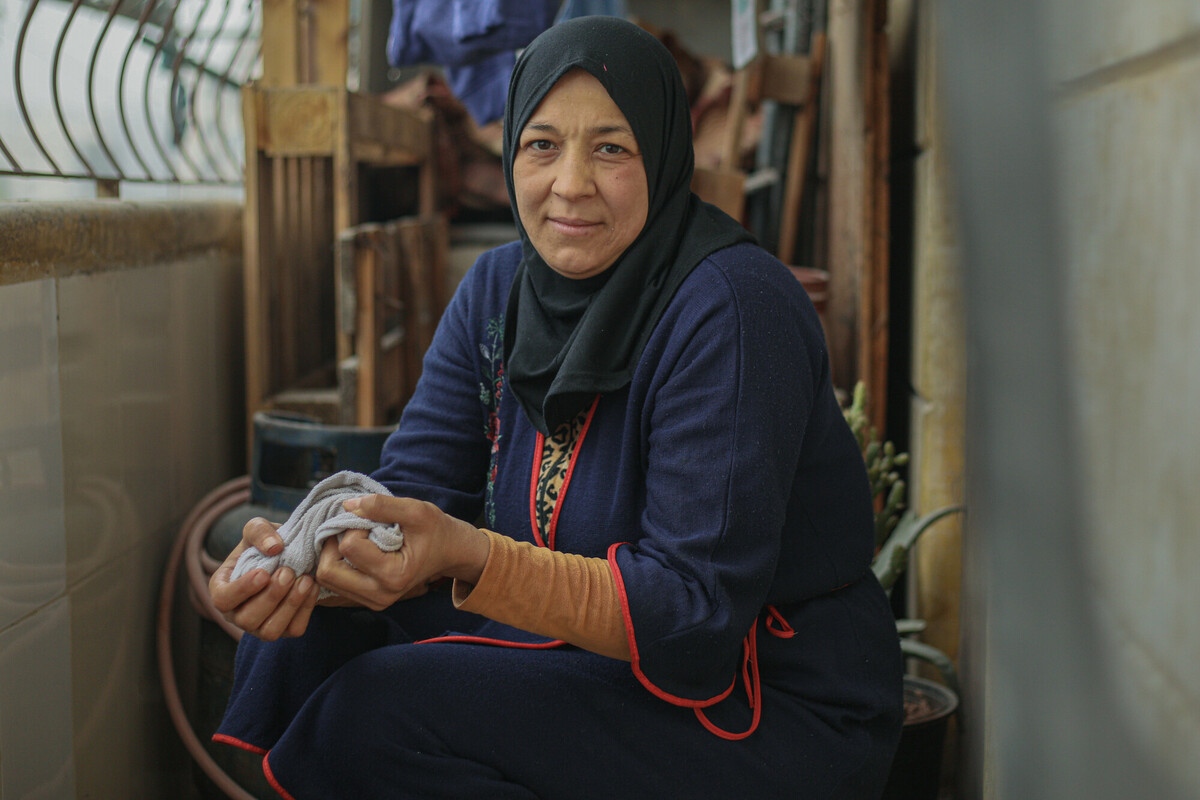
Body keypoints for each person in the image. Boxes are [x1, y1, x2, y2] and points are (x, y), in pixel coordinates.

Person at [209, 15, 903, 799]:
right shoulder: (499, 289)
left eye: (611, 148)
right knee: (304, 638)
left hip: (758, 698)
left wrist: (469, 554)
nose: (570, 183)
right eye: (542, 144)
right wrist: (294, 565)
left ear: (664, 155)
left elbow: (693, 610)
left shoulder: (733, 309)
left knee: (379, 717)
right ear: (511, 154)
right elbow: (413, 491)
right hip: (585, 654)